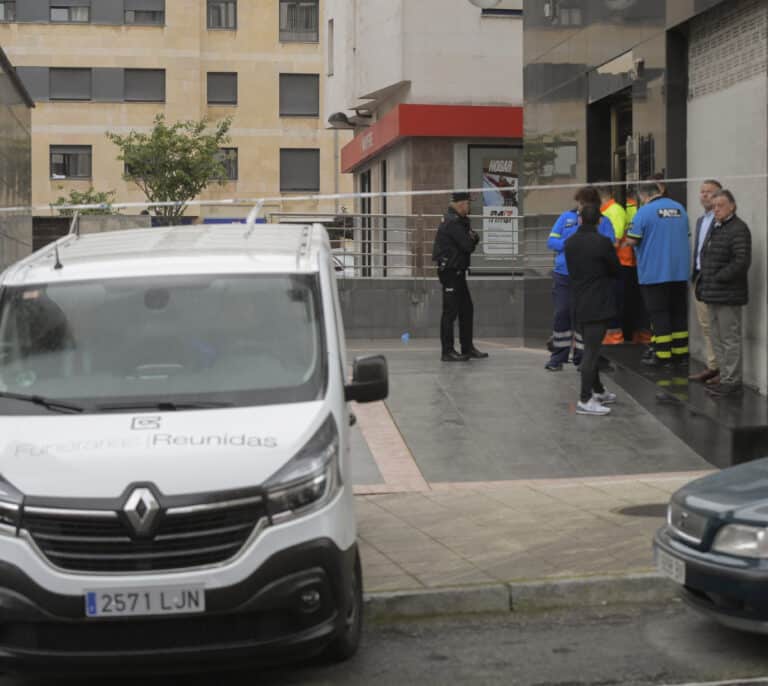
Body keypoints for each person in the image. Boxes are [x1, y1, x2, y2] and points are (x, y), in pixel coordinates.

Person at [545, 186, 615, 371]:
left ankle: (582, 358)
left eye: (586, 203)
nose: (581, 206)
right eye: (581, 202)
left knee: (584, 318)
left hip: (588, 279)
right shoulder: (565, 218)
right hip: (564, 275)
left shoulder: (603, 222)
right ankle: (557, 358)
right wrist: (570, 245)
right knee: (562, 314)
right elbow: (551, 241)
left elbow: (609, 245)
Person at [625, 182, 690, 368]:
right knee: (678, 313)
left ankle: (662, 355)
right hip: (678, 272)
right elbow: (685, 234)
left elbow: (632, 240)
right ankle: (681, 354)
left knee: (659, 314)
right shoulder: (680, 208)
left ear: (643, 196)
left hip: (654, 272)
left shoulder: (644, 212)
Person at [564, 204, 621, 416]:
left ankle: (597, 390)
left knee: (590, 347)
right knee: (592, 351)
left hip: (578, 301)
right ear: (599, 221)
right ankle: (585, 399)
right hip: (598, 302)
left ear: (580, 220)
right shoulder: (602, 243)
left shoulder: (570, 243)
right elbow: (615, 269)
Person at [697, 190, 751, 397]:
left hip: (728, 294)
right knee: (717, 338)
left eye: (720, 205)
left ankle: (732, 381)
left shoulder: (739, 229)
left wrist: (719, 277)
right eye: (714, 206)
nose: (716, 209)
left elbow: (741, 261)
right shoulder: (716, 228)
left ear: (732, 206)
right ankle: (724, 376)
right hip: (712, 293)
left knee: (730, 339)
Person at [432, 192, 488, 362]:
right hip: (450, 271)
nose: (469, 207)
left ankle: (467, 347)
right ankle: (447, 351)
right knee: (450, 312)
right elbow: (467, 245)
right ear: (460, 204)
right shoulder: (452, 221)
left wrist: (472, 238)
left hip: (458, 270)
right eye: (467, 203)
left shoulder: (460, 220)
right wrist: (473, 239)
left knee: (466, 309)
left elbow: (470, 239)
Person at [688, 179, 722, 383]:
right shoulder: (701, 220)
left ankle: (721, 369)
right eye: (702, 192)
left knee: (719, 326)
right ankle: (713, 366)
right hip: (699, 278)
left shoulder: (720, 221)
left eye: (709, 192)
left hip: (715, 280)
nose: (704, 195)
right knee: (706, 325)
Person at [597, 184, 628, 345]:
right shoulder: (606, 211)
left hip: (618, 264)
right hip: (609, 265)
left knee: (613, 303)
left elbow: (614, 241)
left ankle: (614, 341)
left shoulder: (614, 211)